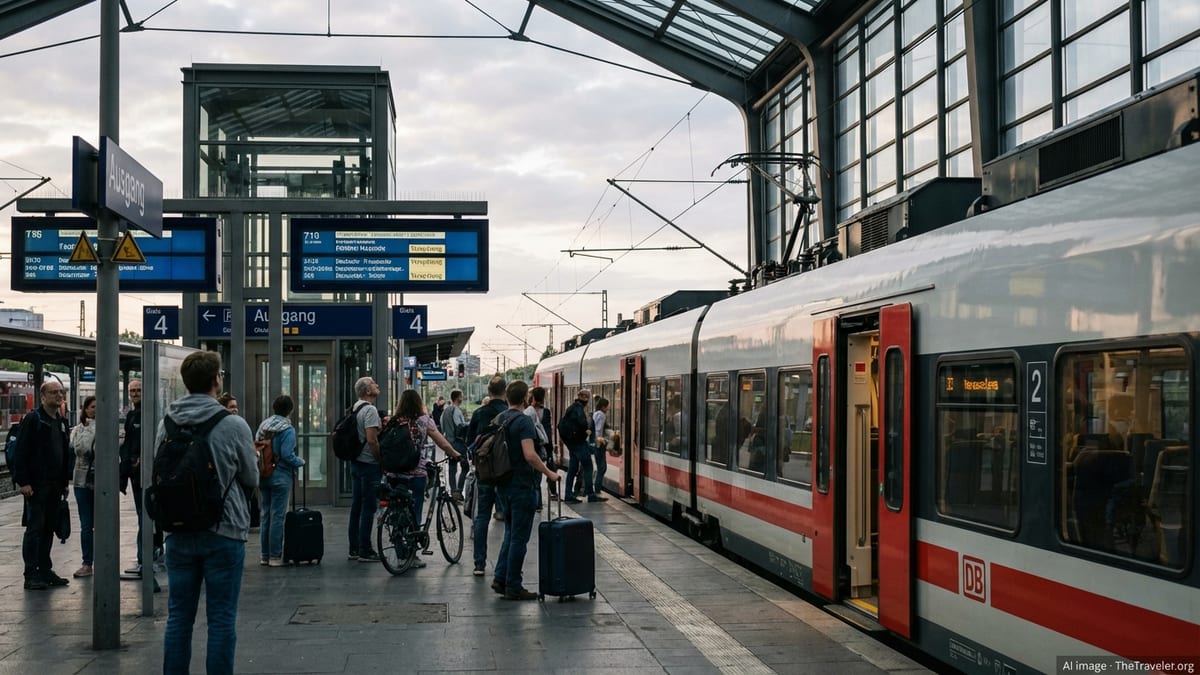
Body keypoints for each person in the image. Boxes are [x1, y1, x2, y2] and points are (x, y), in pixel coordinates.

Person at [159, 350, 258, 675]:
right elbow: (251, 477)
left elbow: (157, 471)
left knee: (178, 618)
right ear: (216, 381)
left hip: (178, 530)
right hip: (224, 530)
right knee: (221, 619)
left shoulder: (168, 423)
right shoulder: (233, 424)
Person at [492, 380, 560, 600]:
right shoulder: (523, 422)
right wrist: (549, 473)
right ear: (525, 399)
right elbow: (530, 454)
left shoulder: (499, 418)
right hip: (522, 485)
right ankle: (513, 585)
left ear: (506, 398)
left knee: (510, 534)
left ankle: (500, 578)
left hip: (503, 484)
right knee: (519, 538)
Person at [385, 389, 462, 568]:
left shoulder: (394, 420)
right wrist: (456, 454)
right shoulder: (423, 420)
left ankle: (400, 552)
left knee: (397, 510)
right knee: (414, 511)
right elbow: (441, 442)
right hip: (415, 473)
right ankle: (411, 554)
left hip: (393, 474)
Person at [14, 380, 72, 590]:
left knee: (49, 528)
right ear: (43, 397)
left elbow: (64, 453)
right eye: (54, 393)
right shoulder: (33, 419)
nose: (59, 395)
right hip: (37, 485)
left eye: (61, 392)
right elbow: (21, 451)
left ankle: (45, 569)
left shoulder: (61, 421)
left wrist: (65, 481)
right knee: (35, 529)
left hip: (55, 485)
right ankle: (31, 574)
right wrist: (24, 481)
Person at [256, 395, 304, 567]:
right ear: (290, 410)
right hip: (281, 476)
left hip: (264, 474)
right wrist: (300, 462)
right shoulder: (287, 430)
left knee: (266, 515)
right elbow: (287, 454)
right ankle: (275, 556)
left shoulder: (264, 426)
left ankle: (264, 555)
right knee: (278, 516)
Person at [120, 379, 162, 576]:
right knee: (142, 513)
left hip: (144, 471)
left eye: (138, 390)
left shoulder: (148, 413)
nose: (135, 393)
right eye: (133, 391)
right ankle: (147, 555)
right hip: (135, 472)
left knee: (145, 514)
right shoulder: (131, 415)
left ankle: (145, 557)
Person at [468, 376, 508, 577]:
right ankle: (504, 565)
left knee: (482, 516)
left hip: (484, 474)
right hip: (506, 475)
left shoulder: (479, 413)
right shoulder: (508, 414)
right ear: (504, 391)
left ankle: (479, 563)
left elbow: (470, 443)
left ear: (489, 391)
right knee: (510, 519)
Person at [347, 376, 383, 562]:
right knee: (369, 507)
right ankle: (365, 549)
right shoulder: (369, 410)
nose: (377, 385)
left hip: (356, 462)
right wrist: (379, 458)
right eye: (373, 384)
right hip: (368, 463)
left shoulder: (355, 407)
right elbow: (372, 439)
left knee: (357, 505)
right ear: (368, 391)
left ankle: (354, 547)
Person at [220, 393, 258, 531]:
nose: (235, 410)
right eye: (231, 407)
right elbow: (250, 475)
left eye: (236, 407)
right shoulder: (237, 426)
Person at [71, 395, 98, 578]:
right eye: (92, 407)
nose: (95, 410)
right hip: (80, 481)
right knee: (86, 524)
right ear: (85, 409)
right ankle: (87, 562)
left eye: (98, 406)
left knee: (102, 524)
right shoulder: (77, 430)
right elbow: (77, 450)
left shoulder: (108, 428)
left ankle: (103, 559)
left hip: (101, 482)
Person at [562, 390, 605, 504]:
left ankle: (568, 494)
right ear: (583, 397)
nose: (587, 399)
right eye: (586, 397)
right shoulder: (578, 409)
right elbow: (582, 425)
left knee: (573, 468)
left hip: (572, 443)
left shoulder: (571, 408)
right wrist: (588, 432)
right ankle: (590, 494)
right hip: (578, 443)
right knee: (588, 467)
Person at [524, 386, 553, 509]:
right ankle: (538, 503)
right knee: (537, 478)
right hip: (541, 447)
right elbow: (547, 431)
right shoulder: (545, 412)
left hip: (529, 445)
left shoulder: (527, 411)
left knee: (532, 479)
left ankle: (535, 503)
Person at [440, 389, 469, 501]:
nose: (462, 398)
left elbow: (442, 427)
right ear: (458, 398)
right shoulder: (456, 410)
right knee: (465, 467)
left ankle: (452, 490)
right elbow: (459, 426)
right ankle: (458, 490)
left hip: (448, 442)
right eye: (461, 396)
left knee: (452, 468)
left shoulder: (445, 411)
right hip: (458, 443)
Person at [591, 396, 610, 496]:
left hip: (595, 443)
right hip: (599, 444)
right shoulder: (601, 415)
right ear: (603, 407)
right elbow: (598, 430)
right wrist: (601, 441)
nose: (608, 409)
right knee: (602, 467)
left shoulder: (595, 414)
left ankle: (596, 487)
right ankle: (597, 489)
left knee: (601, 467)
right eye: (607, 407)